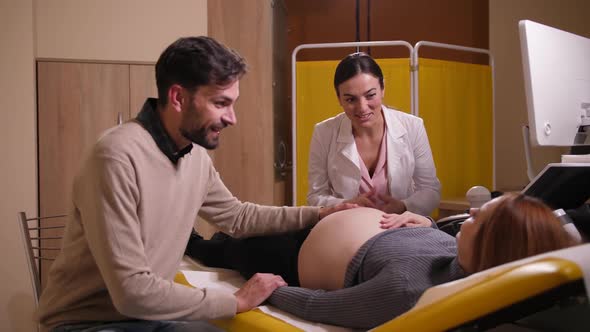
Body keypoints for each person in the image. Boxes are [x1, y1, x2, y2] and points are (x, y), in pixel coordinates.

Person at [35, 36, 354, 332]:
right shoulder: (116, 156)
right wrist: (236, 301)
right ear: (178, 97)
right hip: (85, 323)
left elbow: (238, 218)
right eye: (221, 103)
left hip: (145, 317)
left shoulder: (194, 155)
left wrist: (320, 214)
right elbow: (132, 293)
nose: (232, 118)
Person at [188, 193, 575, 329]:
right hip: (324, 224)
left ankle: (200, 246)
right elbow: (435, 240)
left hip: (294, 257)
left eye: (477, 218)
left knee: (234, 249)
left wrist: (268, 292)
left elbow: (320, 305)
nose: (467, 219)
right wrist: (424, 222)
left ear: (494, 247)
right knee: (248, 227)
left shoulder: (407, 292)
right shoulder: (462, 255)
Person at [307, 52, 441, 217]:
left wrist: (404, 206)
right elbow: (315, 196)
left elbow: (430, 190)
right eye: (350, 100)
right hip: (347, 226)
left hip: (400, 226)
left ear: (383, 88)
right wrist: (346, 205)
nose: (362, 107)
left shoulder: (413, 126)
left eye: (370, 95)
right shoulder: (324, 133)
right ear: (339, 98)